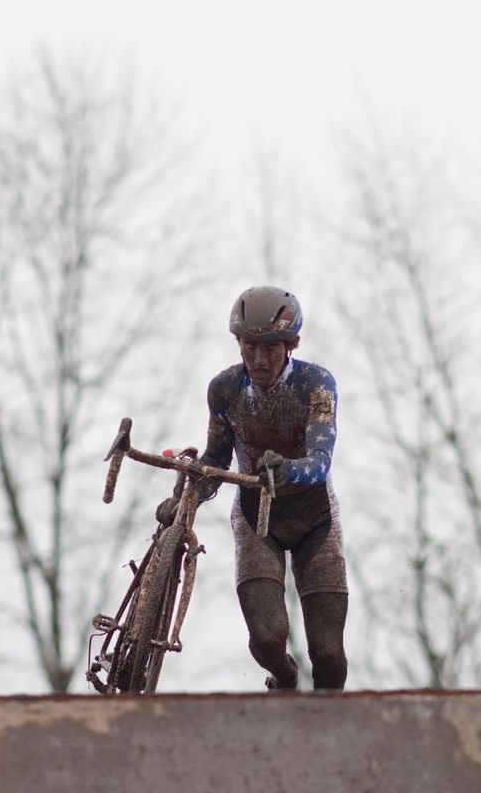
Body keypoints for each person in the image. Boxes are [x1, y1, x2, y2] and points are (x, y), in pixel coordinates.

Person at [157, 285, 348, 690]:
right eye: (249, 348)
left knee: (328, 652)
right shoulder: (224, 390)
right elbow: (215, 460)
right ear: (238, 344)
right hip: (255, 519)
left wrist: (287, 470)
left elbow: (320, 462)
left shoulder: (317, 384)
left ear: (292, 344)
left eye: (271, 349)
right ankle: (284, 676)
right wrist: (187, 495)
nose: (259, 360)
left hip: (316, 518)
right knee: (267, 638)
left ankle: (332, 732)